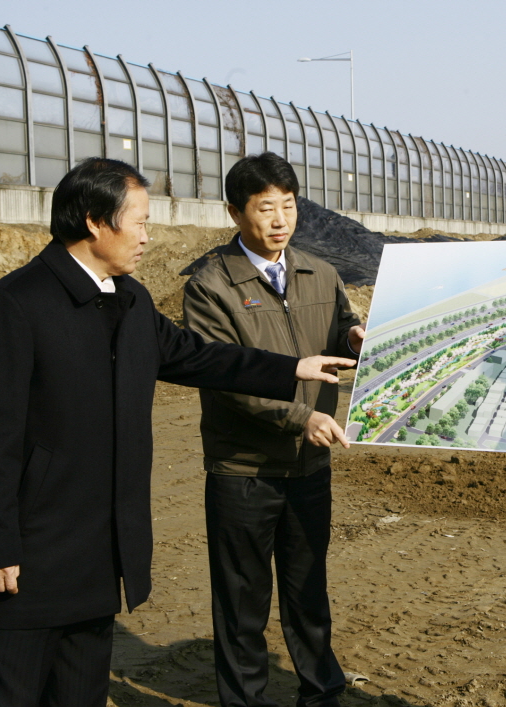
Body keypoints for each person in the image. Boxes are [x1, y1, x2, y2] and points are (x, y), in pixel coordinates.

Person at [0, 157, 355, 707]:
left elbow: (197, 357)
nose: (148, 236)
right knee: (8, 691)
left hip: (98, 548)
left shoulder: (129, 300)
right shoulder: (17, 304)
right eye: (139, 222)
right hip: (31, 551)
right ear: (95, 221)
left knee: (78, 691)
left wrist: (291, 370)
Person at [182, 152, 363, 707]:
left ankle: (321, 691)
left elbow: (338, 330)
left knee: (309, 591)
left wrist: (353, 335)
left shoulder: (320, 272)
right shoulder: (211, 285)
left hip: (310, 467)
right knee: (243, 600)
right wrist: (299, 417)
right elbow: (223, 376)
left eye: (288, 206)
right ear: (235, 212)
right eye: (266, 208)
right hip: (245, 471)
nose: (280, 219)